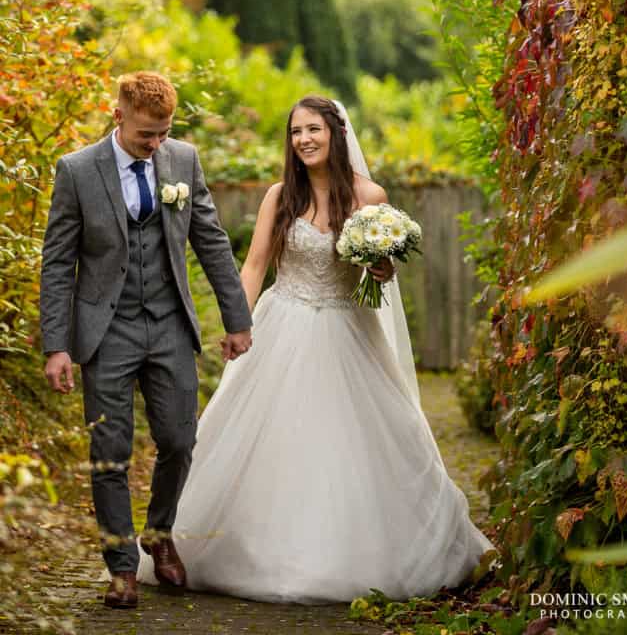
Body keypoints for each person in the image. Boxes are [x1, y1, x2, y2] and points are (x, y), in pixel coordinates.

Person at [138, 94, 495, 603]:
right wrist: (237, 323)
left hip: (349, 329)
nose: (304, 139)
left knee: (354, 439)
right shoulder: (279, 197)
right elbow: (255, 264)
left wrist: (382, 267)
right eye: (295, 131)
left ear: (335, 133)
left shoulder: (371, 198)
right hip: (282, 324)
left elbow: (383, 272)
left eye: (313, 129)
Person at [40, 71, 252, 609]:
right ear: (119, 117)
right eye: (145, 136)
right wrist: (56, 344)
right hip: (105, 332)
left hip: (169, 325)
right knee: (109, 452)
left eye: (163, 134)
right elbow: (58, 263)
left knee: (180, 441)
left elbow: (210, 238)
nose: (156, 145)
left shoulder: (182, 160)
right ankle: (121, 568)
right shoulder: (77, 170)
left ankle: (159, 533)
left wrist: (237, 318)